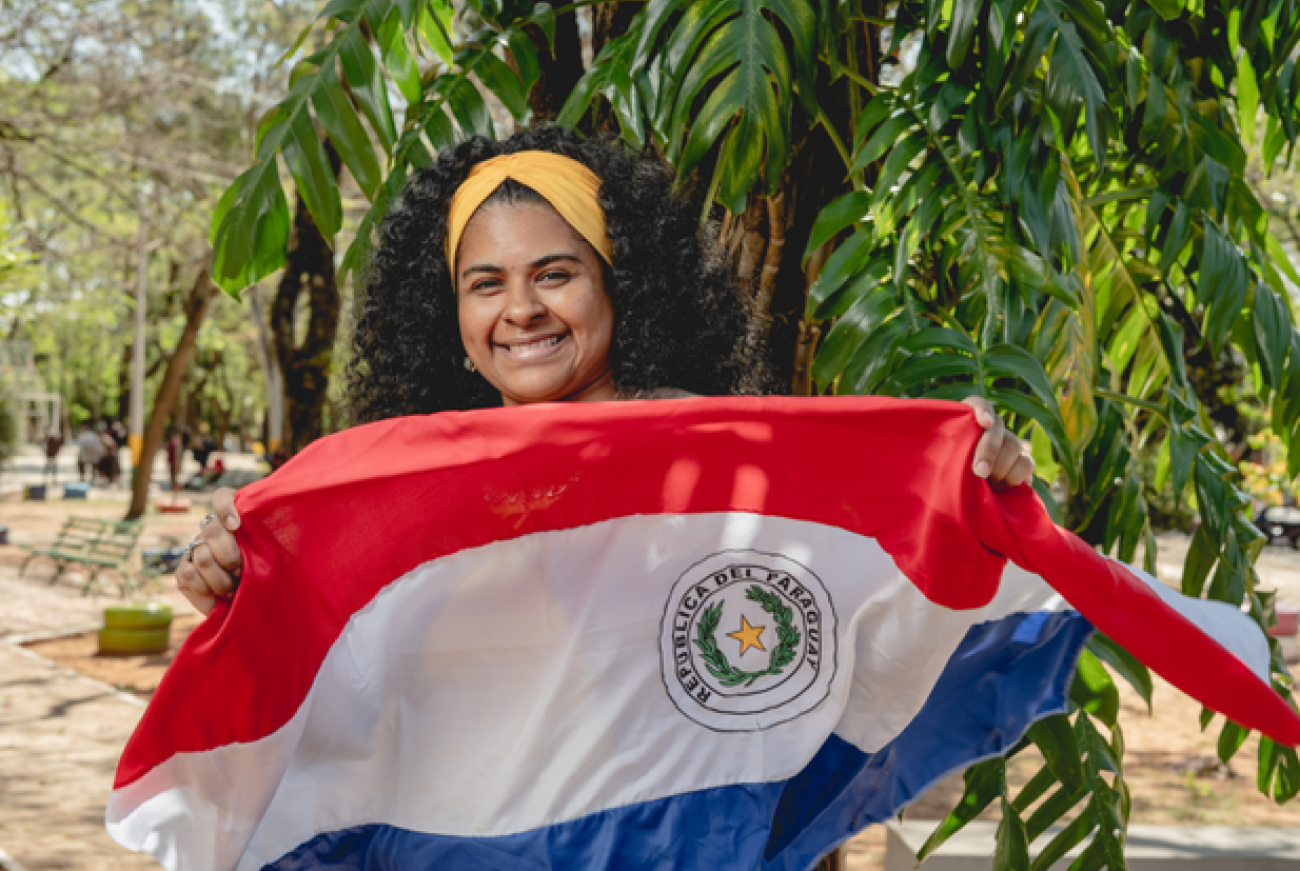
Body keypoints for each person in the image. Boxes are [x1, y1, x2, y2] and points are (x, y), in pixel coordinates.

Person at [175, 126, 1033, 617]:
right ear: (452, 315)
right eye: (487, 284)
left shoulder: (724, 456)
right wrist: (240, 585)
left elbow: (874, 577)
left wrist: (973, 485)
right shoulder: (411, 481)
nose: (521, 310)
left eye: (555, 274)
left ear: (621, 284)